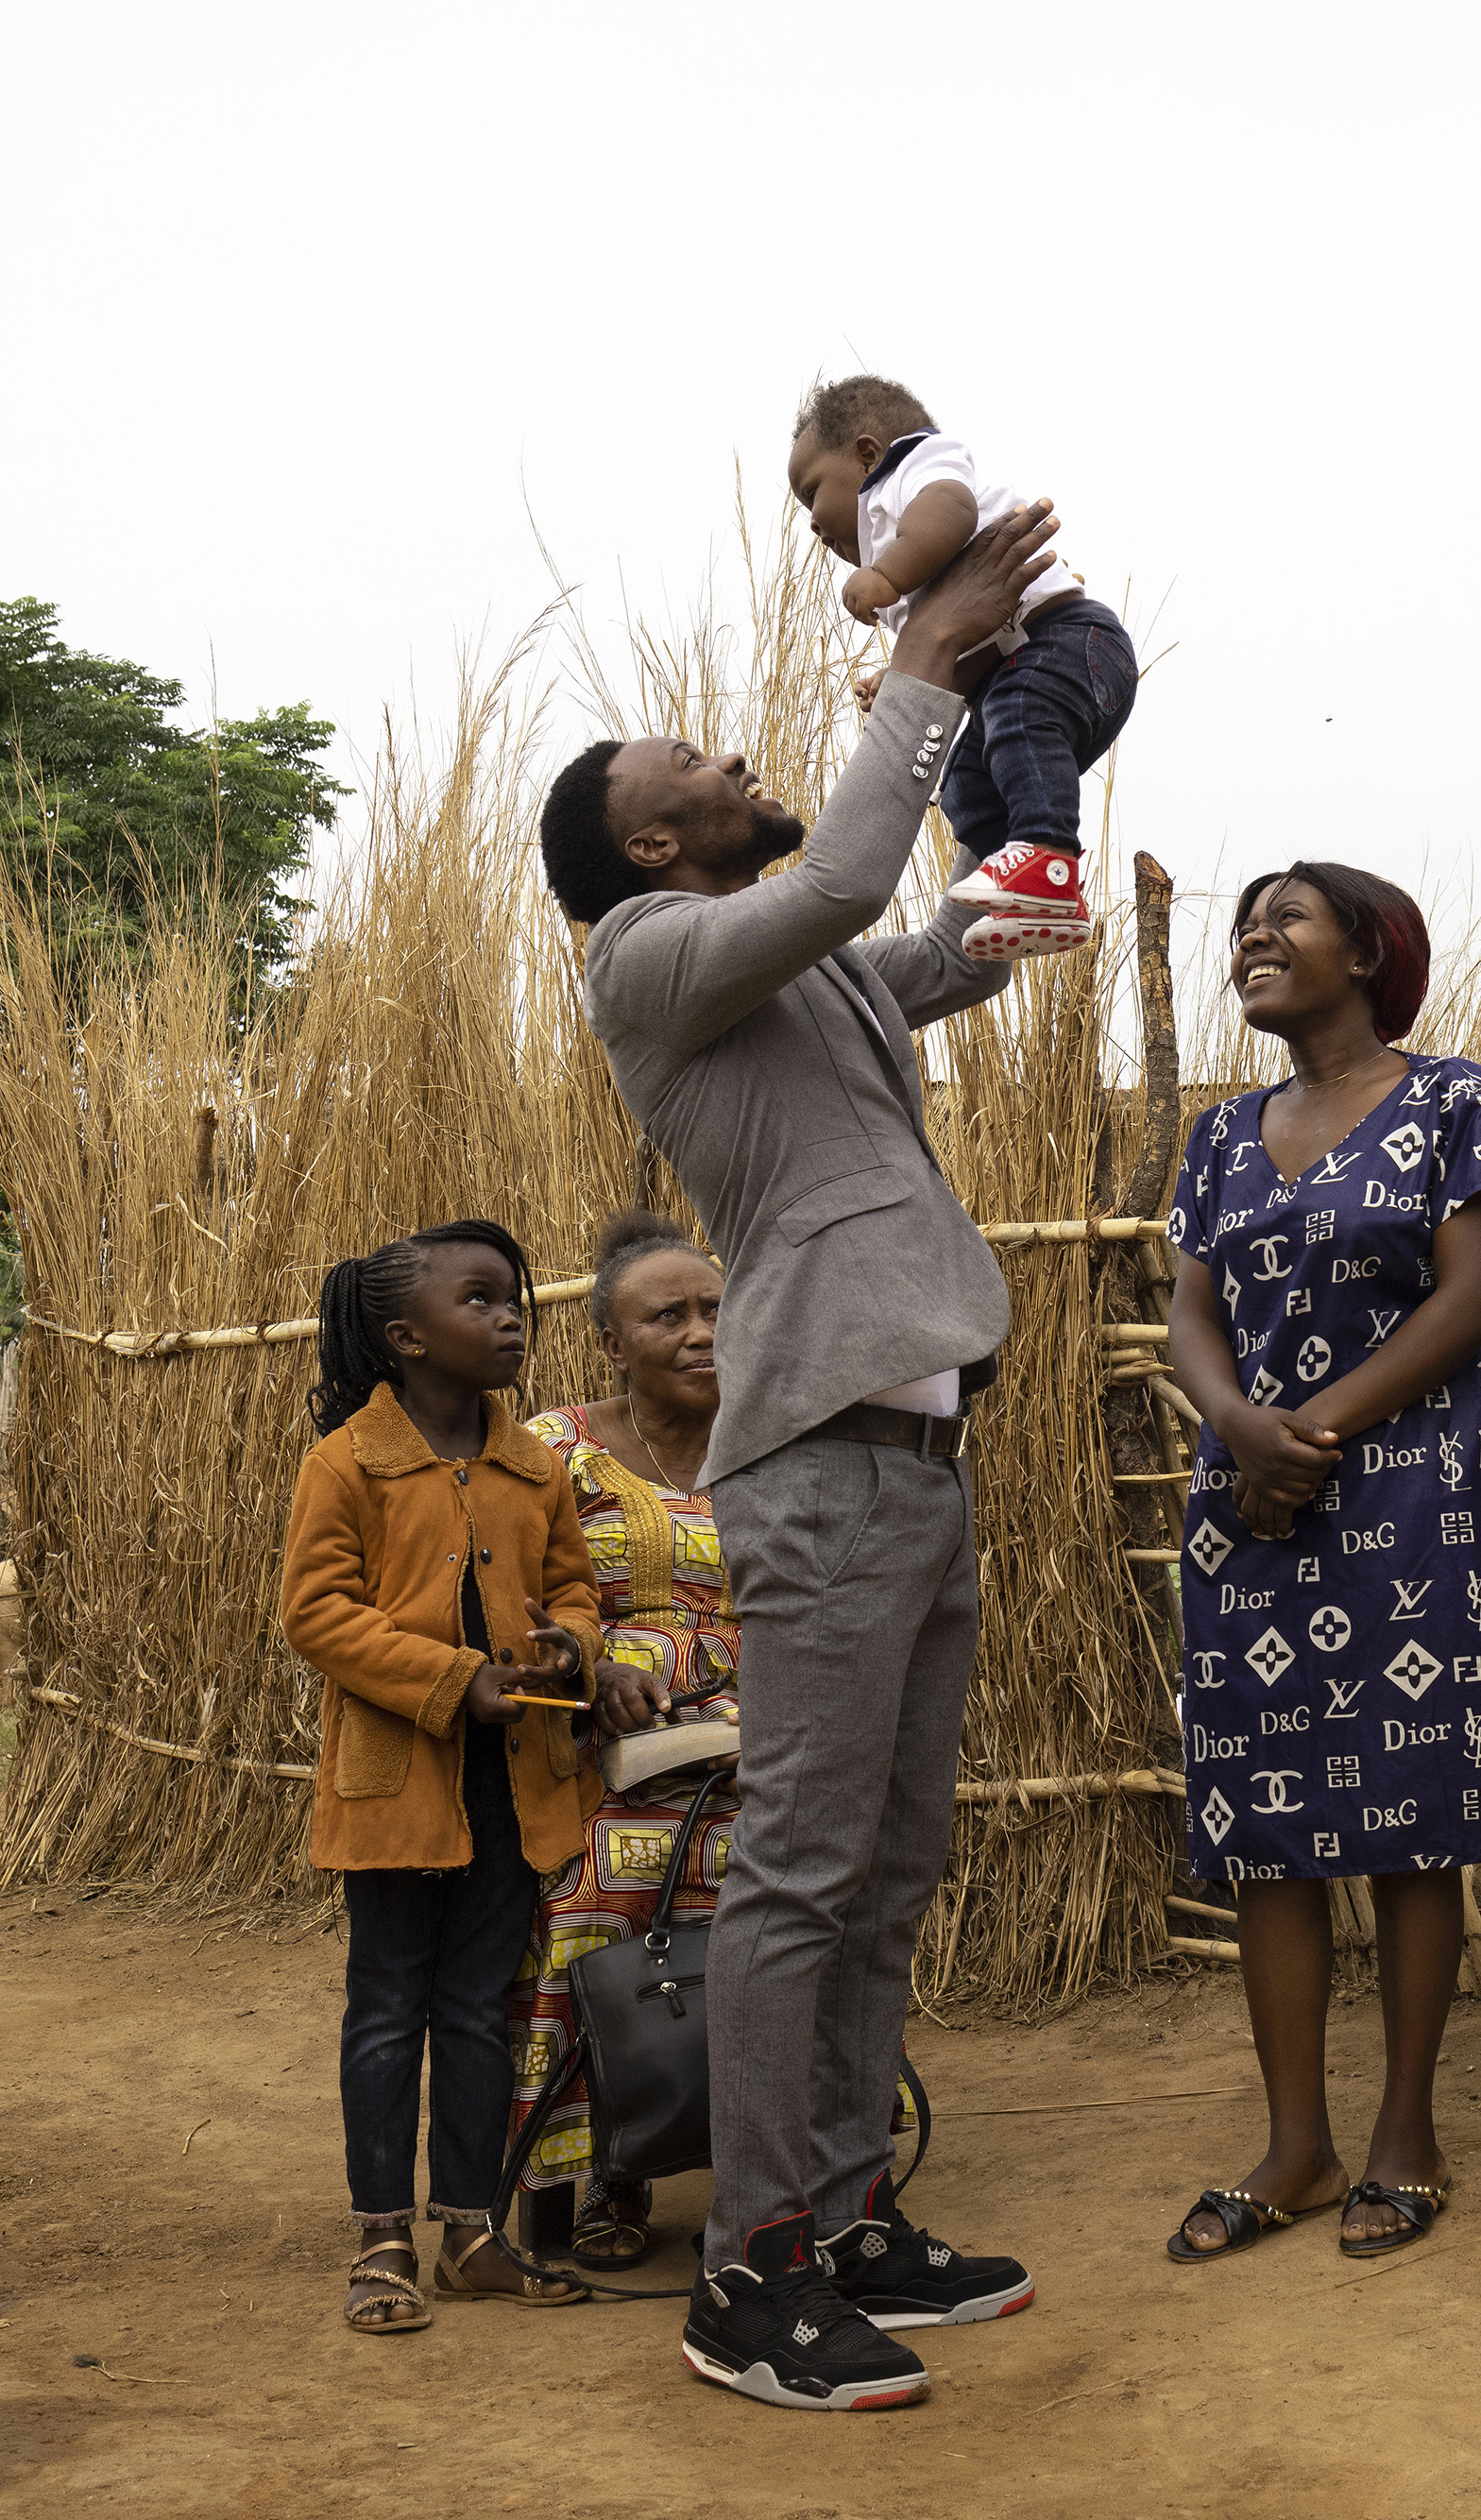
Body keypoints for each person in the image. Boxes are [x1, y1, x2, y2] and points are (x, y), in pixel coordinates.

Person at [533, 497, 1064, 2411]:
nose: (733, 753)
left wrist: (1022, 765)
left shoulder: (795, 969)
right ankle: (744, 2274)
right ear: (647, 844)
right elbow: (839, 886)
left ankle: (842, 2219)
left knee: (887, 1864)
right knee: (803, 1865)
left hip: (911, 1454)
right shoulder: (653, 954)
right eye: (690, 761)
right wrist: (914, 671)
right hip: (823, 1460)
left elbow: (920, 947)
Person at [1155, 863, 1481, 2264]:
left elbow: (1475, 1293)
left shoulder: (1453, 1101)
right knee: (1266, 1828)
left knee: (1416, 1810)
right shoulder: (1222, 1136)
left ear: (1368, 950)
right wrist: (1241, 1431)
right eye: (1244, 926)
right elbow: (1189, 1311)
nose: (1253, 940)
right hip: (1258, 1514)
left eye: (1284, 918)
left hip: (1417, 1505)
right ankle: (1295, 2147)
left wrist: (1319, 1433)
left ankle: (1405, 2132)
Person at [279, 1218, 605, 2333]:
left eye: (514, 1297)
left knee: (476, 2010)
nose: (511, 1313)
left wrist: (569, 1646)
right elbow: (315, 1613)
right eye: (481, 1299)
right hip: (395, 1785)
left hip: (514, 1783)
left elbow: (574, 1590)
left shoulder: (533, 1466)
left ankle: (469, 2231)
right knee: (386, 2009)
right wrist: (454, 1679)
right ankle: (382, 2239)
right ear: (407, 1337)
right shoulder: (345, 1463)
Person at [506, 1210, 743, 2273]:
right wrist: (593, 1664)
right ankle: (598, 2171)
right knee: (590, 1903)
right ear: (611, 1339)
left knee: (793, 1902)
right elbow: (516, 1598)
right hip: (613, 1751)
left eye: (715, 1310)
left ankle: (775, 2169)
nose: (700, 1332)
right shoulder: (552, 1450)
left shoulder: (782, 1437)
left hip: (765, 1739)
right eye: (669, 1316)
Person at [784, 373, 1134, 963]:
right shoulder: (909, 576)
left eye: (812, 492)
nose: (813, 525)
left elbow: (951, 510)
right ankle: (1034, 897)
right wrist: (899, 679)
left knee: (1019, 717)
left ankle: (1049, 854)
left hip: (1067, 639)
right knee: (966, 788)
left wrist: (886, 576)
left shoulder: (912, 469)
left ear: (868, 455)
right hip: (1015, 670)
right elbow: (956, 652)